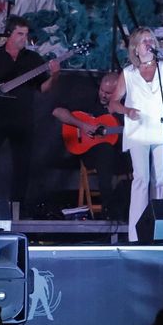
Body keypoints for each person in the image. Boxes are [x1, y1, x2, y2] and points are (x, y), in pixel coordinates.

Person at [109, 28, 163, 242]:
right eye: (144, 40)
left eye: (150, 40)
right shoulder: (128, 73)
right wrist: (127, 110)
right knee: (141, 179)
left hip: (162, 130)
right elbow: (113, 103)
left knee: (159, 180)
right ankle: (136, 235)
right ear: (135, 48)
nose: (148, 43)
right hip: (138, 132)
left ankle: (158, 231)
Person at [0, 16, 60, 205]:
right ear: (9, 34)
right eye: (19, 34)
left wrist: (55, 75)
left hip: (22, 119)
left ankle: (18, 207)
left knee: (22, 165)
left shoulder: (33, 59)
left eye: (26, 34)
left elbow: (43, 88)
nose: (23, 38)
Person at [52, 71, 127, 218]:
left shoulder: (127, 106)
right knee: (105, 150)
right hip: (92, 152)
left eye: (109, 93)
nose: (103, 96)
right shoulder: (89, 98)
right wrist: (82, 125)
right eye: (102, 91)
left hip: (121, 154)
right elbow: (57, 111)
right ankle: (109, 209)